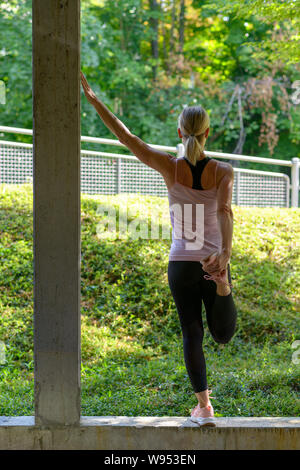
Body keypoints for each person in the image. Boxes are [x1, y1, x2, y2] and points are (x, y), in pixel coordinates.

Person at [80, 72, 237, 427]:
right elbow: (225, 211)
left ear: (180, 133)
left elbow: (126, 137)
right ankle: (224, 285)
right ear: (208, 133)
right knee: (223, 335)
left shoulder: (171, 167)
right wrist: (225, 254)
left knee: (191, 333)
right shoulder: (224, 171)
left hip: (182, 262)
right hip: (213, 260)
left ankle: (204, 407)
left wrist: (94, 100)